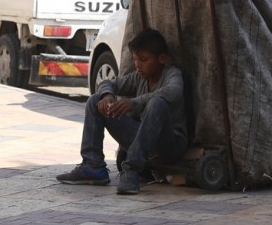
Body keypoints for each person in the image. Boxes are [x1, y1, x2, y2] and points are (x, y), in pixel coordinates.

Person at [56, 28, 188, 196]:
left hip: (168, 144)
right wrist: (107, 96)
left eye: (144, 59)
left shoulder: (172, 74)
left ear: (161, 59)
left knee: (156, 104)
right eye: (135, 59)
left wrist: (134, 103)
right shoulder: (139, 77)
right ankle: (93, 166)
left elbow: (173, 92)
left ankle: (131, 170)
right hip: (142, 140)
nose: (138, 64)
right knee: (95, 101)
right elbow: (108, 82)